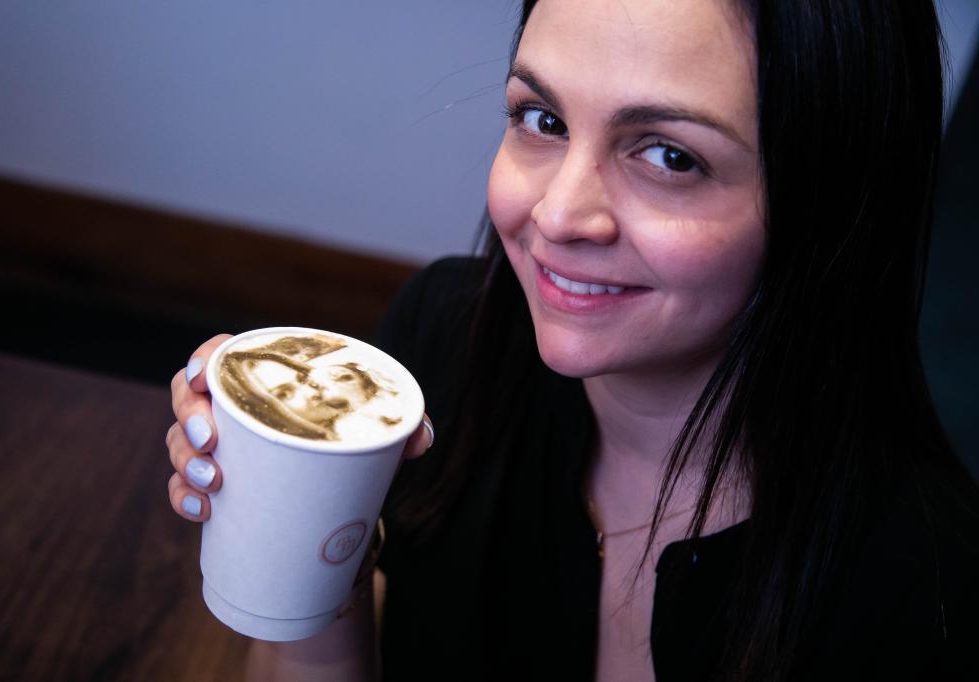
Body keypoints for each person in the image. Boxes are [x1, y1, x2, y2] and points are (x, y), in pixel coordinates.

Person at [165, 0, 979, 679]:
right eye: (542, 118)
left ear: (831, 208)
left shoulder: (925, 595)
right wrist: (314, 560)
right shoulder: (442, 345)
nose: (556, 214)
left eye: (669, 156)